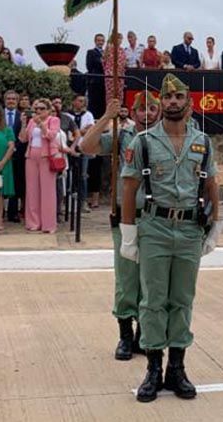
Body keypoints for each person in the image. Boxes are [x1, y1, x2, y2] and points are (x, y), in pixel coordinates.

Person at [118, 74, 223, 403]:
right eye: (168, 98)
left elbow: (210, 186)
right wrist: (129, 235)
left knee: (182, 299)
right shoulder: (144, 142)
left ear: (189, 104)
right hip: (155, 228)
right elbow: (130, 188)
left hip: (190, 230)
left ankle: (177, 368)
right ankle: (153, 368)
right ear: (161, 103)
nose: (173, 102)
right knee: (152, 301)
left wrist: (214, 227)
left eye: (179, 98)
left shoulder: (203, 142)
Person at [81, 92, 160, 363]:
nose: (147, 113)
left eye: (152, 109)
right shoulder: (123, 135)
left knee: (151, 280)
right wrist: (106, 117)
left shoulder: (166, 138)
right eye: (142, 109)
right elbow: (86, 147)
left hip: (155, 219)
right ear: (134, 112)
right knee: (127, 279)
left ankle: (142, 335)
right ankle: (125, 335)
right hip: (126, 217)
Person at [19, 99, 60, 233]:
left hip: (46, 156)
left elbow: (51, 136)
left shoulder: (53, 120)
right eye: (36, 108)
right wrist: (24, 124)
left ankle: (48, 224)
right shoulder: (31, 121)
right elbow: (23, 138)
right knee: (32, 190)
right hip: (31, 155)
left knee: (47, 190)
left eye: (42, 108)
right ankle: (33, 222)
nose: (38, 111)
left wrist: (41, 124)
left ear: (48, 110)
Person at [1, 91, 26, 224]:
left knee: (16, 184)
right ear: (4, 100)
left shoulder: (21, 116)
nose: (11, 101)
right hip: (0, 153)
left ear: (17, 101)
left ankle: (13, 212)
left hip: (18, 154)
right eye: (8, 99)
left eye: (13, 99)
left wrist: (14, 147)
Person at [86, 33, 107, 109]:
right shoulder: (91, 52)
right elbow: (89, 66)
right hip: (95, 81)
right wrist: (102, 61)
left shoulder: (106, 53)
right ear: (95, 41)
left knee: (103, 102)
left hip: (105, 81)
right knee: (94, 102)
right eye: (98, 40)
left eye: (102, 41)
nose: (100, 42)